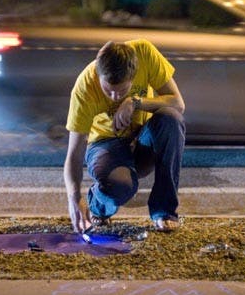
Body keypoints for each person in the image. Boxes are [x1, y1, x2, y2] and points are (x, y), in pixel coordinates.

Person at [63, 38, 186, 233]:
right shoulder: (84, 87)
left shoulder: (145, 53)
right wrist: (74, 198)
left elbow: (178, 103)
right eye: (108, 90)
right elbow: (74, 154)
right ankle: (98, 205)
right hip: (105, 144)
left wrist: (135, 102)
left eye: (121, 90)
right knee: (122, 186)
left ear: (134, 74)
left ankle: (164, 211)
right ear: (98, 73)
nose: (114, 97)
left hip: (142, 137)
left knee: (171, 118)